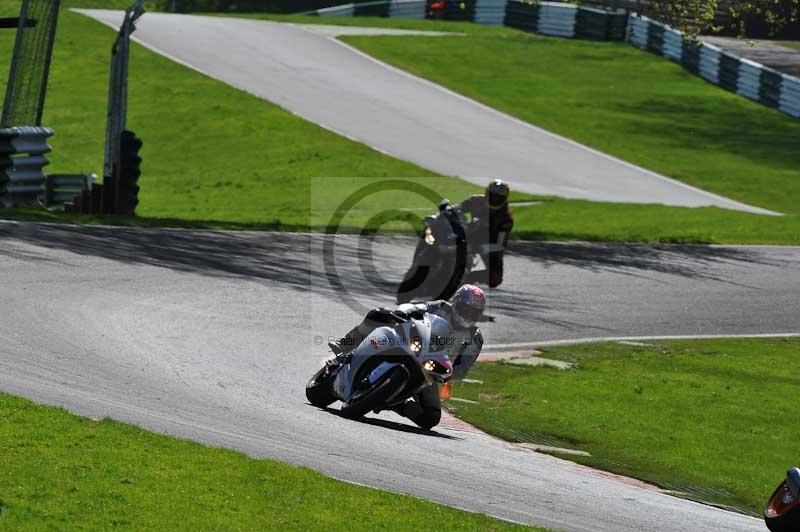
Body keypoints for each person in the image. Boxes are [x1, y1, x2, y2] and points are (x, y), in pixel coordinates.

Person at [329, 285, 487, 428]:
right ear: (457, 303)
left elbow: (463, 368)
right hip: (410, 344)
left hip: (430, 371)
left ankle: (397, 404)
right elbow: (415, 307)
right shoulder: (440, 306)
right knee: (378, 314)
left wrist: (447, 376)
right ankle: (346, 344)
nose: (468, 315)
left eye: (474, 312)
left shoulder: (475, 337)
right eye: (466, 309)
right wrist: (403, 311)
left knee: (431, 418)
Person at [460, 178, 514, 289]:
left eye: (498, 197)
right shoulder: (476, 200)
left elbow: (500, 244)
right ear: (487, 193)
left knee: (495, 279)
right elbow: (457, 209)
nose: (494, 199)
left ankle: (469, 277)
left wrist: (484, 247)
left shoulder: (506, 217)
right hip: (470, 233)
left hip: (490, 244)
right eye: (492, 195)